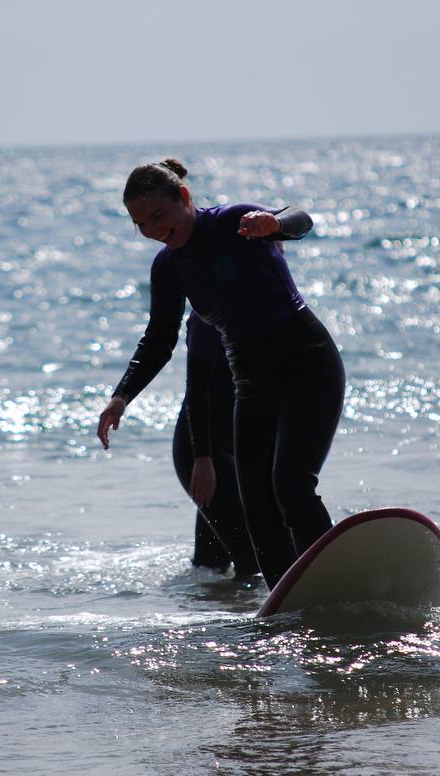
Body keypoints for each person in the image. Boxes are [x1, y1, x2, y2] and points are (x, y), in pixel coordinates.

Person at [97, 158, 346, 589]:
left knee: (290, 486)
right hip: (251, 382)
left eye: (159, 215)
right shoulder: (168, 267)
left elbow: (301, 220)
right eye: (141, 225)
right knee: (257, 505)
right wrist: (121, 396)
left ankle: (337, 577)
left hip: (307, 363)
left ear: (184, 197)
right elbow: (159, 339)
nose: (153, 229)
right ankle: (287, 600)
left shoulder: (235, 222)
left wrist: (274, 223)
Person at [174, 311, 259, 581]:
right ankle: (266, 609)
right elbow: (196, 390)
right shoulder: (206, 319)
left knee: (210, 567)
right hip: (204, 453)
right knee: (253, 560)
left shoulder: (256, 310)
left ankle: (203, 605)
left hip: (230, 448)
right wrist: (202, 458)